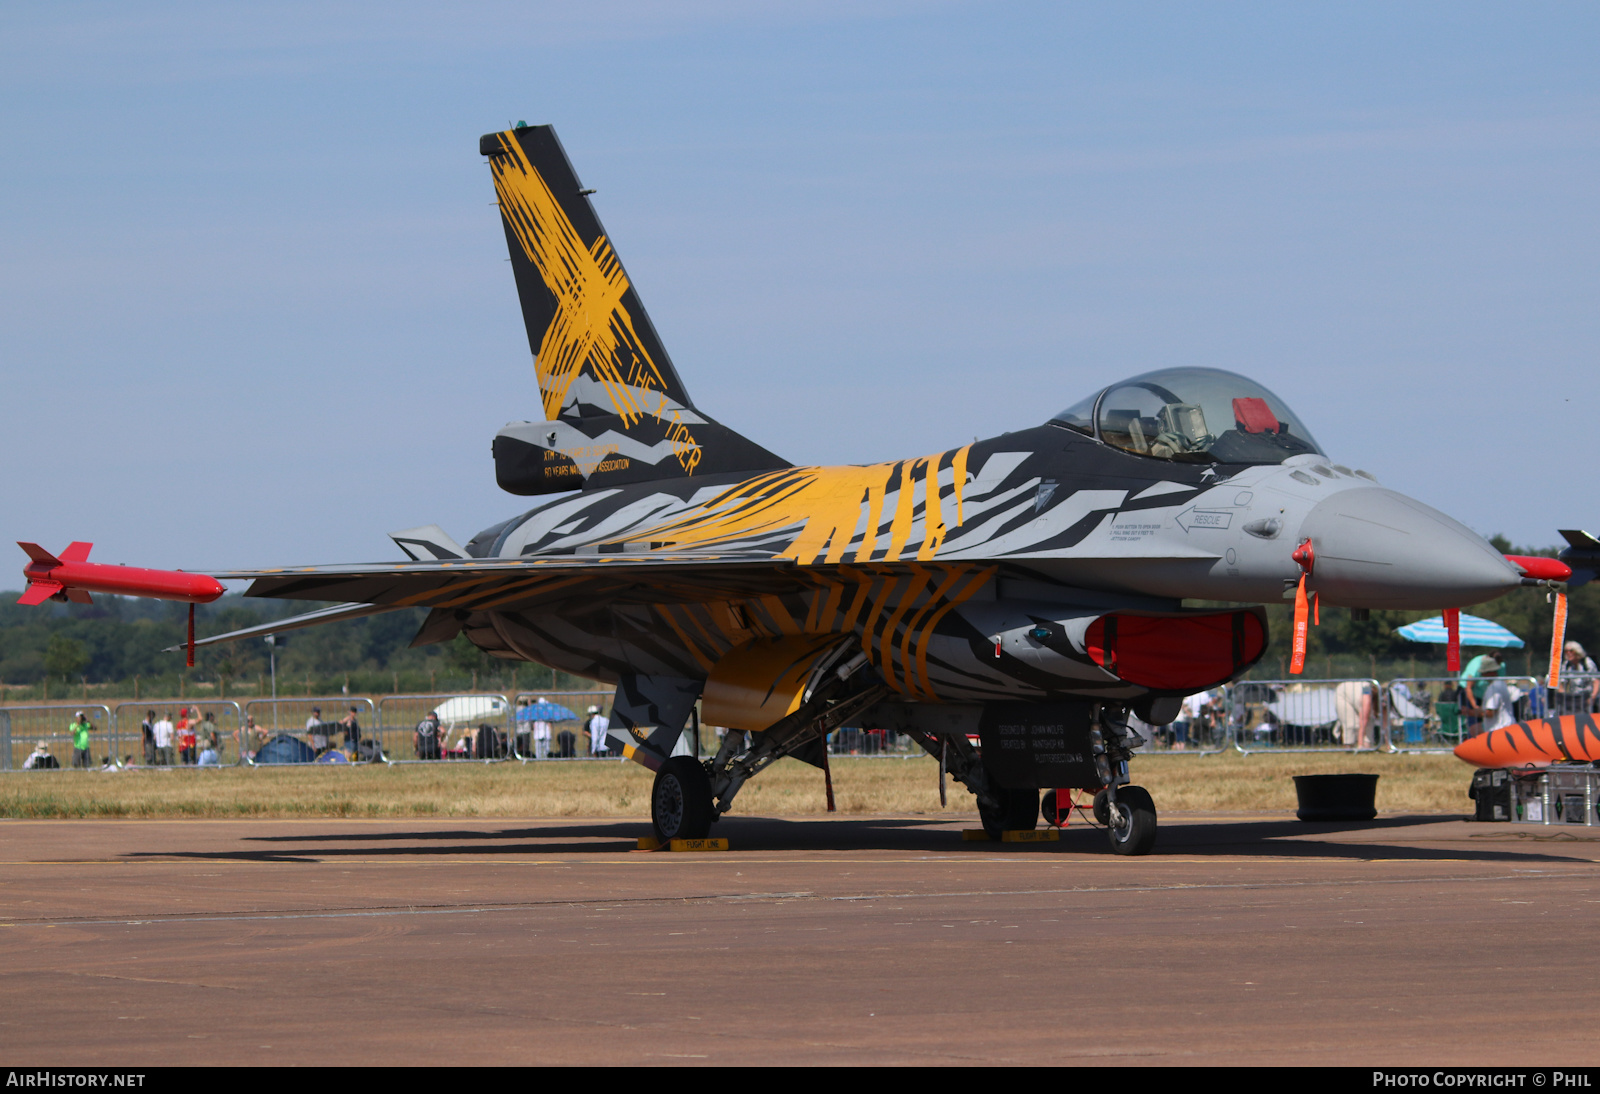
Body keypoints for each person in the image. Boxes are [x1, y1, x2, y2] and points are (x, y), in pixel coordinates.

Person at [1557, 641, 1600, 715]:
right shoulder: (1566, 664)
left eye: (1571, 651)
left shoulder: (1587, 663)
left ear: (1577, 651)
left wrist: (1593, 696)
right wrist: (1563, 695)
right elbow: (1560, 682)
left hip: (1586, 696)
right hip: (1572, 696)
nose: (1568, 653)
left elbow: (1596, 681)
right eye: (1566, 651)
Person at [1333, 679, 1376, 749]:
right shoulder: (1367, 695)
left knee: (1370, 721)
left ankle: (1367, 747)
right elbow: (1363, 720)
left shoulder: (1382, 698)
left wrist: (1388, 746)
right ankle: (1350, 747)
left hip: (1356, 694)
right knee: (1350, 724)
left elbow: (1385, 724)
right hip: (1343, 695)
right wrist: (1360, 744)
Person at [1479, 657, 1517, 734]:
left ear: (1490, 672)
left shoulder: (1493, 687)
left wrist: (1469, 712)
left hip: (1499, 730)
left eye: (1483, 673)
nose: (1482, 675)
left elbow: (1490, 712)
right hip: (1505, 727)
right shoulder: (1501, 683)